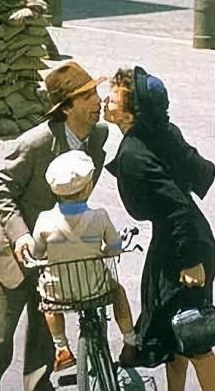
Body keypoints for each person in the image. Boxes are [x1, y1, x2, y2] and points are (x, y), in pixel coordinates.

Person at [103, 66, 215, 391]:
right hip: (175, 240)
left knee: (196, 338)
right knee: (169, 324)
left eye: (115, 96)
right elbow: (197, 173)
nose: (107, 99)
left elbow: (177, 209)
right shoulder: (158, 131)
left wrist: (190, 261)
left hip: (185, 245)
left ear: (132, 112)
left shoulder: (135, 154)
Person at [0, 62, 109, 391]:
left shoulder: (98, 136)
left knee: (46, 328)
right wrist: (20, 236)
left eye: (96, 93)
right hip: (16, 254)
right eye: (88, 96)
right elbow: (2, 191)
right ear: (66, 106)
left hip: (59, 251)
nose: (97, 102)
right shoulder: (35, 143)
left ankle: (39, 390)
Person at [32, 150, 138, 371]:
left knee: (47, 301)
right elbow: (114, 247)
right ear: (88, 187)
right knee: (118, 291)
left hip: (59, 290)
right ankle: (130, 341)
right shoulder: (99, 216)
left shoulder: (44, 220)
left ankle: (61, 347)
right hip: (95, 287)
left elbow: (38, 252)